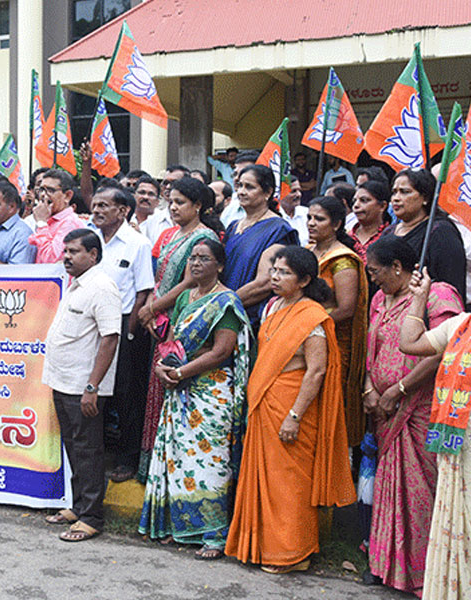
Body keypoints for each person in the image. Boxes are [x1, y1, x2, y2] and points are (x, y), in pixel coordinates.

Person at [225, 246, 356, 573]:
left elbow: (316, 371)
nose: (275, 277)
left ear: (305, 280)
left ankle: (293, 555)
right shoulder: (273, 305)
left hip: (292, 408)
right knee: (264, 479)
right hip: (265, 403)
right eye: (274, 270)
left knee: (289, 484)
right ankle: (263, 547)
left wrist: (295, 416)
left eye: (284, 272)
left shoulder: (312, 316)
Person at [399, 245, 471, 599]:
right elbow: (410, 343)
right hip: (457, 437)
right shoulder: (464, 323)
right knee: (454, 529)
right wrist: (419, 298)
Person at [361, 237, 463, 596]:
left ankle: (422, 572)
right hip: (384, 409)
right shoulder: (379, 298)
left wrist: (398, 390)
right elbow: (372, 347)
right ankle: (385, 564)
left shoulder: (439, 297)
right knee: (388, 489)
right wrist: (371, 387)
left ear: (398, 268)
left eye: (376, 272)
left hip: (420, 408)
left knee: (421, 490)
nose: (373, 279)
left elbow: (440, 352)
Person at [139, 238, 251, 557]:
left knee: (209, 462)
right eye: (193, 258)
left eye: (204, 258)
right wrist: (164, 367)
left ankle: (214, 536)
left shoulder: (226, 302)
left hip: (211, 390)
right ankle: (180, 527)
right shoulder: (187, 295)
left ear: (220, 265)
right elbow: (172, 341)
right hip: (179, 385)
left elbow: (221, 352)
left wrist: (181, 373)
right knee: (178, 460)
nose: (196, 263)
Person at [135, 177, 221, 481]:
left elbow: (189, 283)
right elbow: (158, 276)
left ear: (198, 206)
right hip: (157, 315)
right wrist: (149, 309)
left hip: (180, 316)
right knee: (153, 387)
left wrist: (153, 309)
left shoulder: (203, 237)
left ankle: (170, 469)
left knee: (169, 387)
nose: (173, 207)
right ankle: (153, 466)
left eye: (180, 202)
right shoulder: (171, 233)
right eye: (170, 201)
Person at [41, 228, 121, 542]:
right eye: (66, 251)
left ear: (93, 255)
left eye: (74, 252)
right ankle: (77, 507)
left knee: (88, 450)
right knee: (74, 447)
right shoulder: (77, 285)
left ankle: (91, 517)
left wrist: (92, 387)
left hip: (84, 387)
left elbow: (110, 338)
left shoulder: (102, 287)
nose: (67, 257)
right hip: (63, 381)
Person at [87, 186, 155, 482]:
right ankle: (97, 452)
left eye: (104, 205)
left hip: (125, 324)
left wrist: (127, 334)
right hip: (91, 323)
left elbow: (142, 291)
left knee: (126, 394)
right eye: (95, 205)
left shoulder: (137, 243)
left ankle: (127, 458)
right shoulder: (89, 239)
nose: (97, 210)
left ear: (122, 211)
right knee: (95, 388)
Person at [307, 195, 368, 446]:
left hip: (334, 344)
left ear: (336, 224)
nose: (311, 223)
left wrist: (308, 321)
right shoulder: (308, 252)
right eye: (309, 217)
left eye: (319, 219)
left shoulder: (342, 260)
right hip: (307, 341)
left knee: (332, 405)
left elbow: (346, 309)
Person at [223, 164, 299, 328]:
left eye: (249, 187)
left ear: (267, 192)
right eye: (240, 186)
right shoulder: (233, 226)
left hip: (251, 319)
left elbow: (265, 282)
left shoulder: (278, 229)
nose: (242, 191)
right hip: (224, 317)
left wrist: (222, 305)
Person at [379, 169, 466, 305]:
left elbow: (451, 285)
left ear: (425, 198)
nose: (396, 198)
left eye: (405, 192)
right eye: (394, 192)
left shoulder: (440, 232)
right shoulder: (388, 232)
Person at [29, 169, 86, 264]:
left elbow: (51, 260)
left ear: (67, 196)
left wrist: (41, 223)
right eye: (42, 189)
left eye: (50, 190)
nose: (43, 195)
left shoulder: (70, 223)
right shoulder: (46, 218)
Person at [350, 180, 391, 263]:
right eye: (354, 201)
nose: (356, 205)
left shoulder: (390, 236)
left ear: (382, 206)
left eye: (364, 200)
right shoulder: (346, 236)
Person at [219, 150, 259, 227]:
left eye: (244, 174)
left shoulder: (275, 212)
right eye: (235, 174)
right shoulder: (230, 206)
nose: (237, 178)